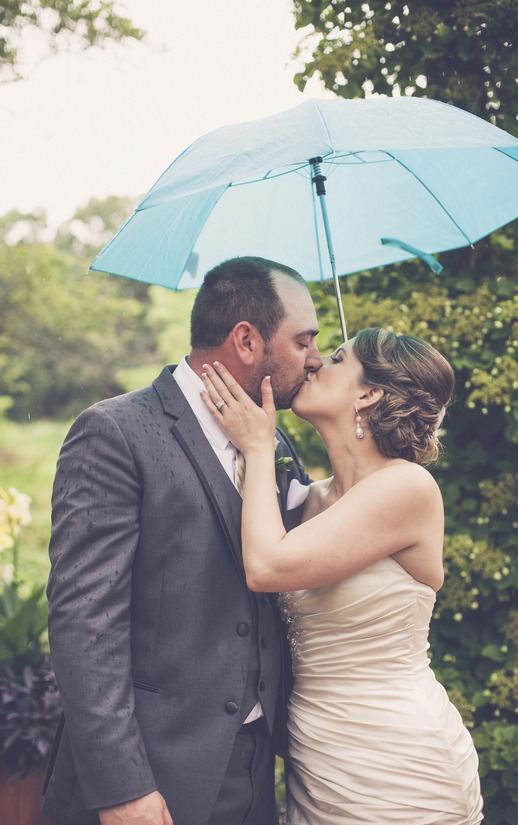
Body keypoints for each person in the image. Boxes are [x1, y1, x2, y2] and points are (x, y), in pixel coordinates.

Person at [41, 256, 322, 825]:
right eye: (303, 341)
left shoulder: (275, 441)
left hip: (252, 773)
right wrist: (123, 790)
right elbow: (84, 621)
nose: (315, 359)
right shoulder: (116, 432)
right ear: (247, 340)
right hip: (152, 780)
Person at [201, 328, 484, 825]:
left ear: (369, 393)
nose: (312, 363)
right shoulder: (309, 500)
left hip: (397, 764)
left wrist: (258, 447)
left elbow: (267, 566)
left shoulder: (408, 487)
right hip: (315, 763)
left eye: (335, 357)